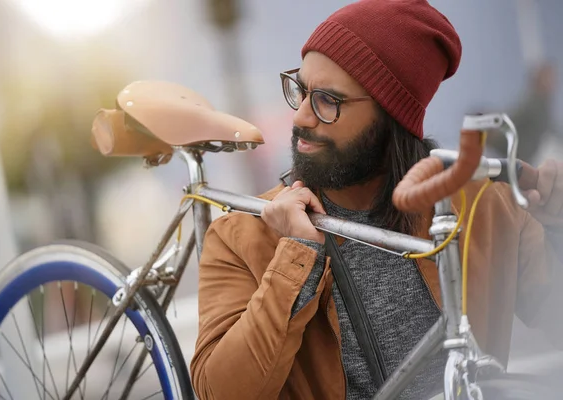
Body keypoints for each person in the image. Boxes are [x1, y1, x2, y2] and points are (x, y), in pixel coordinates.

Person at [190, 1, 563, 399]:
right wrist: (295, 257)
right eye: (300, 90)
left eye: (328, 101)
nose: (300, 116)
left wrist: (556, 225)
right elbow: (218, 392)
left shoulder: (482, 207)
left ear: (391, 115)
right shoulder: (242, 234)